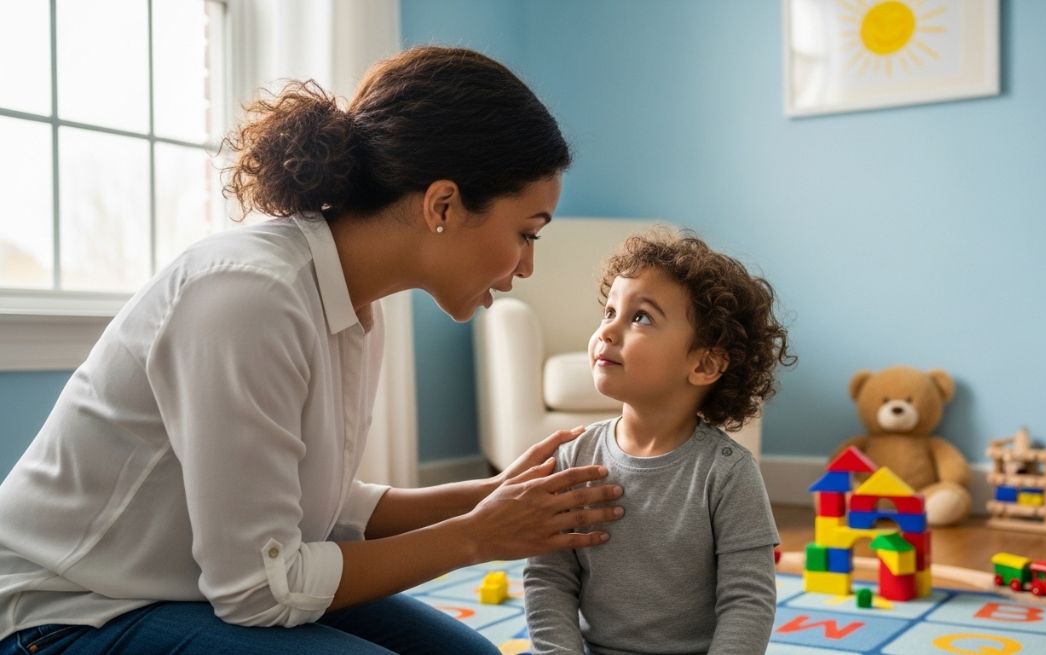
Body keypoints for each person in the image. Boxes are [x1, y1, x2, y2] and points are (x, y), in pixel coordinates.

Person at [0, 46, 625, 655]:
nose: (528, 265)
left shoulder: (355, 309)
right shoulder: (249, 297)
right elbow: (259, 591)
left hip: (182, 590)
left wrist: (488, 495)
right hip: (68, 613)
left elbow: (317, 507)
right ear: (442, 204)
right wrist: (476, 537)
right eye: (526, 233)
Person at [524, 229, 796, 654]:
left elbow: (748, 599)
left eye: (641, 317)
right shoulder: (573, 458)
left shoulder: (727, 472)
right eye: (609, 311)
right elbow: (549, 577)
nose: (608, 331)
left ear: (704, 363)